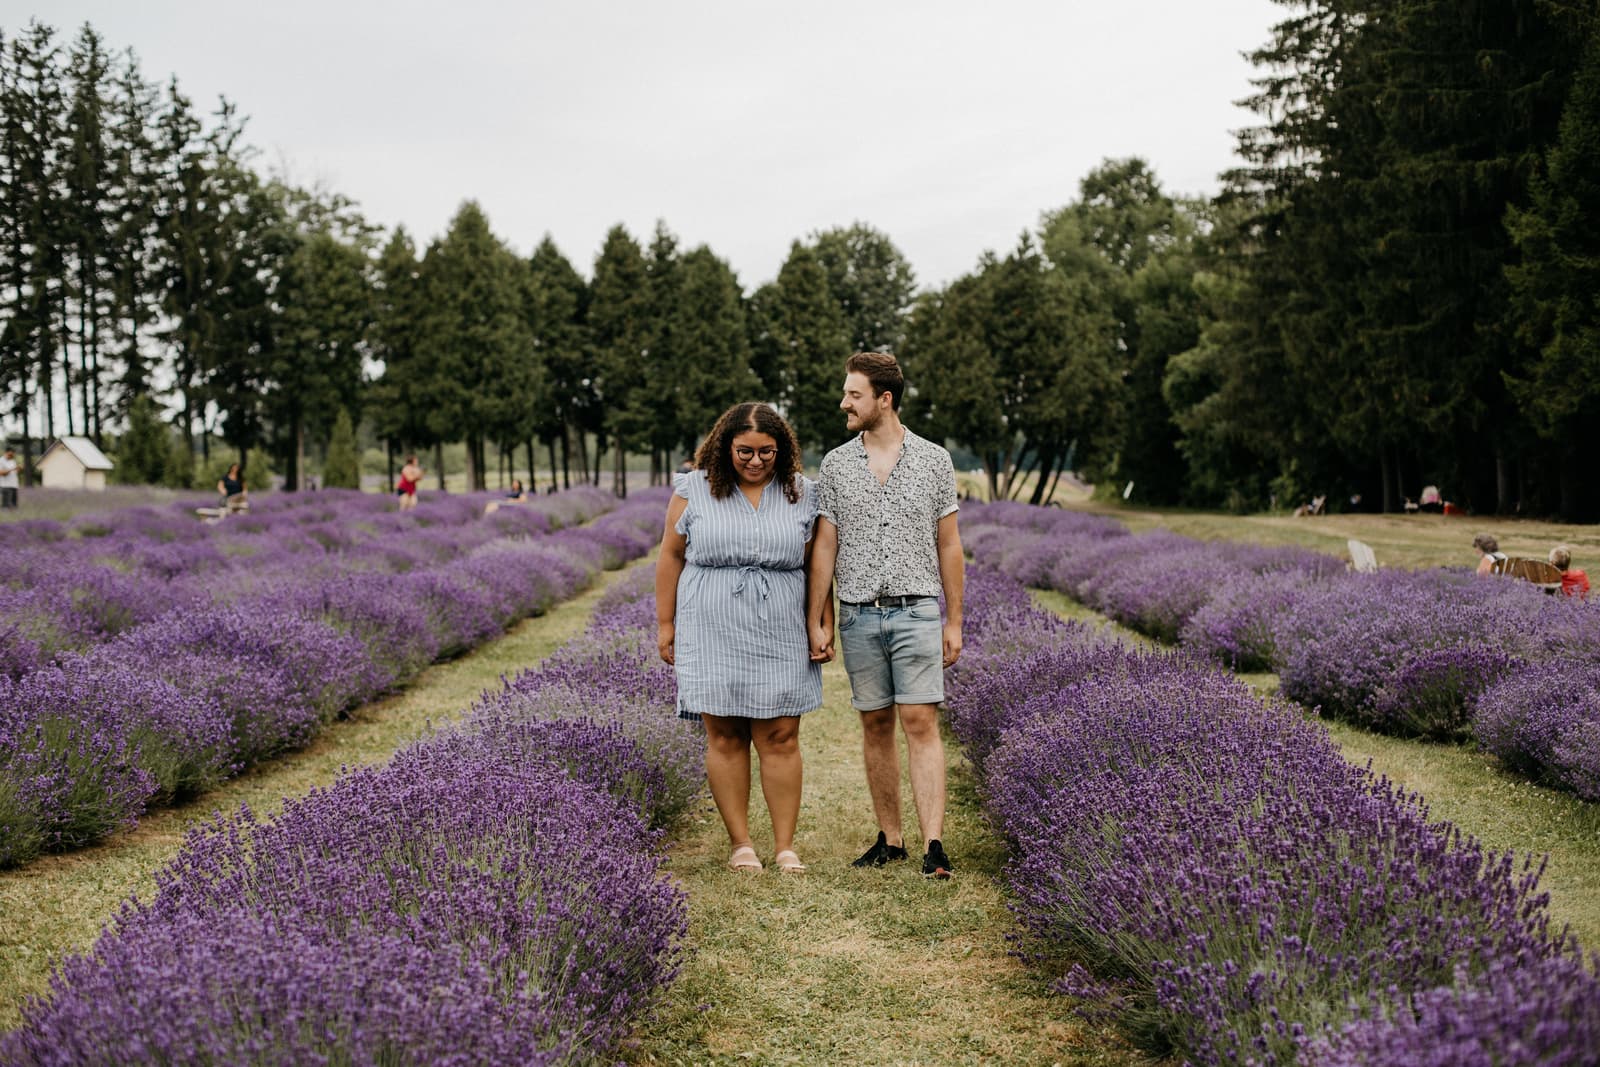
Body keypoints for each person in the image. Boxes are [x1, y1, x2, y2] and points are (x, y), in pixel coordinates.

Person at [807, 352, 964, 880]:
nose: (844, 403)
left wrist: (954, 620)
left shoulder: (934, 460)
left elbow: (949, 544)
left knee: (920, 722)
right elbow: (824, 546)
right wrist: (818, 618)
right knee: (875, 723)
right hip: (857, 614)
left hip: (916, 609)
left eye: (854, 394)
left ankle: (934, 844)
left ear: (884, 399)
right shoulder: (835, 464)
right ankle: (891, 840)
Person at [655, 402, 830, 875]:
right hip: (710, 624)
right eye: (745, 452)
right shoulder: (693, 489)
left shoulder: (802, 492)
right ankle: (741, 844)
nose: (756, 461)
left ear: (783, 450)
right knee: (726, 734)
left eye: (767, 452)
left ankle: (785, 846)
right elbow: (671, 556)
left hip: (780, 623)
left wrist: (820, 621)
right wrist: (666, 624)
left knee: (780, 735)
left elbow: (818, 564)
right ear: (724, 447)